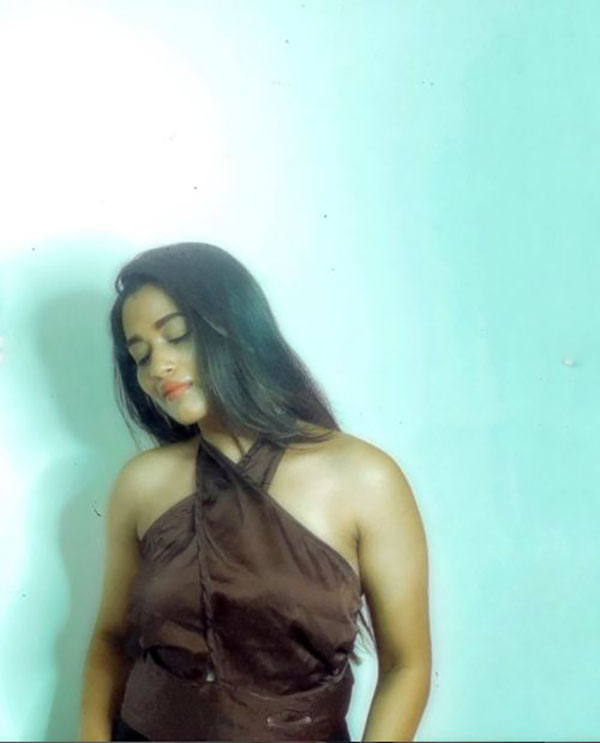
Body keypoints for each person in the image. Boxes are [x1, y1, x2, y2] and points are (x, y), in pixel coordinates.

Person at [78, 243, 431, 742]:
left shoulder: (364, 477)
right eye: (141, 355)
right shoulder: (142, 484)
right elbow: (112, 640)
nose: (158, 367)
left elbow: (407, 665)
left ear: (234, 326)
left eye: (176, 335)